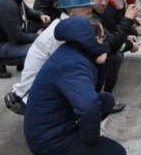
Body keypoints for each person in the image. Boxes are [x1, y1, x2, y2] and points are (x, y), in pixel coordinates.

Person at [23, 17, 125, 155]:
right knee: (116, 152)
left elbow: (94, 91)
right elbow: (88, 107)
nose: (104, 42)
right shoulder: (74, 65)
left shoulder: (73, 51)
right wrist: (91, 141)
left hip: (57, 124)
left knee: (106, 100)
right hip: (49, 141)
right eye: (101, 37)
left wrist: (100, 63)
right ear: (90, 40)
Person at [5, 0, 95, 115]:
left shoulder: (61, 25)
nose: (90, 17)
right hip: (29, 97)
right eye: (88, 13)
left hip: (31, 89)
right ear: (73, 14)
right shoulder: (61, 35)